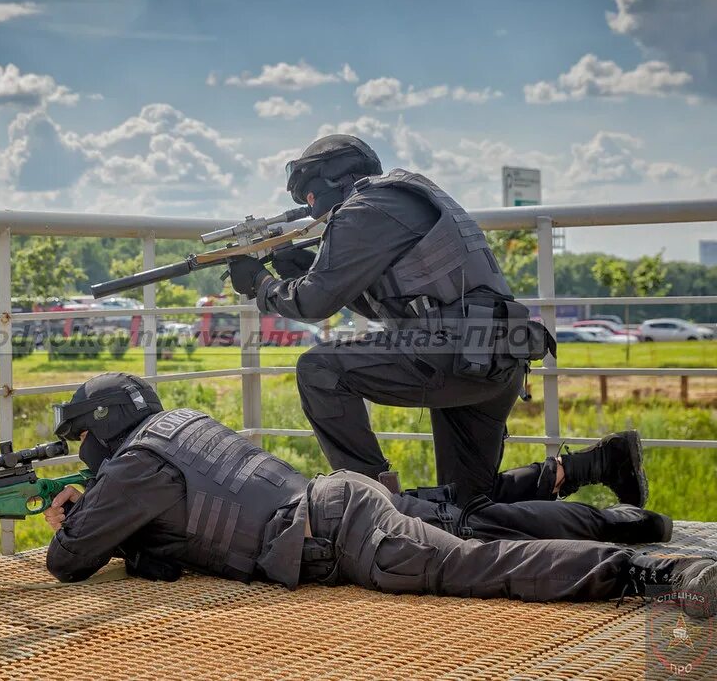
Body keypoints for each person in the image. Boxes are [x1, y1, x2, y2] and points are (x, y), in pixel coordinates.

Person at [44, 373, 716, 618]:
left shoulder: (134, 465)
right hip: (338, 497)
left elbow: (68, 560)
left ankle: (655, 572)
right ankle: (628, 521)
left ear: (100, 430)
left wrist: (66, 516)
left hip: (337, 530)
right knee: (472, 518)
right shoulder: (180, 424)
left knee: (471, 565)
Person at [227, 134, 646, 508]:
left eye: (310, 199)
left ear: (326, 182)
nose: (310, 210)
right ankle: (597, 464)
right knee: (467, 503)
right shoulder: (405, 195)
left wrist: (262, 283)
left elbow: (313, 304)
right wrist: (314, 271)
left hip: (452, 352)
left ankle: (371, 505)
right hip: (493, 355)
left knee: (318, 369)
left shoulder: (362, 209)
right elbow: (396, 308)